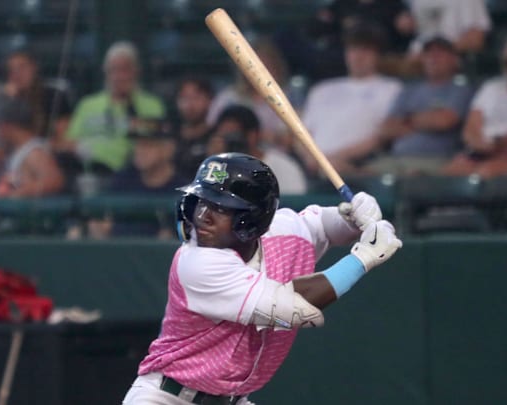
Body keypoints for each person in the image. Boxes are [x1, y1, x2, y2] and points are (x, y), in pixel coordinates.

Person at [122, 152, 402, 404]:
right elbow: (296, 311)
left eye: (220, 207)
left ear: (253, 218)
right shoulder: (196, 262)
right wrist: (364, 258)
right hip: (167, 398)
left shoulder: (285, 230)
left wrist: (354, 217)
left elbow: (325, 227)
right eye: (200, 202)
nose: (202, 216)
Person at [302, 25, 402, 175]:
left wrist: (333, 159)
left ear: (377, 55)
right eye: (353, 49)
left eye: (365, 50)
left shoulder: (391, 88)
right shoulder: (322, 89)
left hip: (358, 165)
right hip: (311, 166)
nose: (358, 56)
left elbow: (383, 135)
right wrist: (311, 159)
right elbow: (301, 133)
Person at [367, 36, 473, 175]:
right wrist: (424, 122)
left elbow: (443, 121)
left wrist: (406, 121)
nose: (433, 58)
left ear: (453, 59)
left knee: (415, 178)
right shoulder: (409, 90)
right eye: (428, 54)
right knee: (358, 178)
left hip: (435, 161)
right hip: (396, 159)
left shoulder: (460, 89)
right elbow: (386, 129)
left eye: (440, 54)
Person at [64, 41, 165, 176]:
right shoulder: (88, 104)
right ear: (106, 72)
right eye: (114, 70)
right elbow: (69, 142)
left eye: (125, 70)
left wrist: (130, 104)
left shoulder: (151, 105)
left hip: (134, 176)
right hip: (91, 173)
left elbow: (154, 145)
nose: (120, 77)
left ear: (136, 71)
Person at [443, 32, 507, 178]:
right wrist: (486, 147)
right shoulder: (491, 88)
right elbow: (470, 130)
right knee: (452, 171)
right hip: (487, 151)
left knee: (488, 171)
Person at [87, 119, 187, 240]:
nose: (139, 151)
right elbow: (97, 214)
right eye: (137, 145)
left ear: (168, 149)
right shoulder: (123, 180)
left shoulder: (183, 190)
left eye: (147, 145)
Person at [274, 0, 414, 80]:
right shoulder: (344, 4)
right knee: (286, 36)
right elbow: (314, 29)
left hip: (378, 55)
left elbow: (406, 37)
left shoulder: (393, 5)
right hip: (339, 55)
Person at [206, 38, 292, 148]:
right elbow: (211, 133)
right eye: (253, 67)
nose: (259, 73)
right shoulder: (228, 98)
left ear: (276, 68)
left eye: (266, 67)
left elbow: (289, 140)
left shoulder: (288, 99)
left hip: (275, 159)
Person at [207, 105, 307, 195]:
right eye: (223, 136)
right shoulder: (218, 166)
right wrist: (214, 162)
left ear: (252, 136)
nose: (228, 142)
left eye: (233, 135)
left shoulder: (283, 166)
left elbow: (295, 207)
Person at [0, 49, 73, 141]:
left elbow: (64, 138)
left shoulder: (52, 96)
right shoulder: (9, 102)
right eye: (11, 70)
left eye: (22, 67)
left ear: (34, 68)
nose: (17, 74)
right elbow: (2, 136)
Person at [0, 97, 65, 198]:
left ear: (6, 125)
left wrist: (18, 193)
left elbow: (54, 181)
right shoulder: (16, 149)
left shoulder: (35, 152)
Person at [407, 0, 491, 56]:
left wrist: (436, 56)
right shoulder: (417, 2)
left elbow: (476, 40)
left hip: (454, 61)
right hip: (415, 61)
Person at [173, 77, 214, 180]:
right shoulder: (169, 136)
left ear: (209, 100)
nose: (190, 105)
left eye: (196, 98)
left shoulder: (216, 137)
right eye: (184, 98)